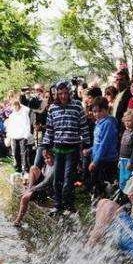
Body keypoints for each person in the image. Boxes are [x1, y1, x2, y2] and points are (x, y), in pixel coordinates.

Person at [42, 82, 90, 214]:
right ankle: (58, 205)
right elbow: (49, 129)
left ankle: (69, 205)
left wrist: (86, 144)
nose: (63, 96)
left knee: (69, 178)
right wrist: (45, 146)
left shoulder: (77, 106)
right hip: (58, 148)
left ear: (70, 92)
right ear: (57, 94)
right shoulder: (52, 108)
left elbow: (83, 126)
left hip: (73, 148)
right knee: (57, 178)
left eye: (65, 93)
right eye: (60, 93)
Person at [87, 96, 119, 199]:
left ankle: (106, 205)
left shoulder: (109, 124)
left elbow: (104, 144)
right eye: (94, 112)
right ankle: (98, 203)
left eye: (99, 111)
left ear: (106, 109)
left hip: (106, 160)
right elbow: (98, 143)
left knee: (105, 186)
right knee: (96, 183)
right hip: (98, 157)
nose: (96, 114)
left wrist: (95, 161)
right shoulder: (99, 123)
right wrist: (90, 150)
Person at [5, 96, 31, 174]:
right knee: (15, 153)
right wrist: (9, 136)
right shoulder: (12, 115)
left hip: (22, 136)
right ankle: (18, 167)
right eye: (14, 105)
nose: (15, 107)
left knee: (23, 153)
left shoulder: (24, 113)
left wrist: (26, 136)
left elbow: (27, 125)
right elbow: (10, 126)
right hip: (14, 136)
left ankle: (24, 169)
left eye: (16, 105)